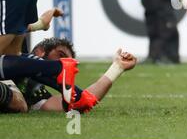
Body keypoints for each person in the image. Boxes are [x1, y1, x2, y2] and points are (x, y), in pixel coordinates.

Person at [0, 0, 79, 108]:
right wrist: (40, 24)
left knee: (10, 57)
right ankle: (77, 92)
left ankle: (58, 67)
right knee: (11, 54)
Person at [1, 37, 137, 113]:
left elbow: (78, 102)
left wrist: (116, 69)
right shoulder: (13, 49)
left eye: (67, 61)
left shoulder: (35, 91)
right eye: (60, 56)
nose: (64, 61)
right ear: (40, 51)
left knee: (19, 103)